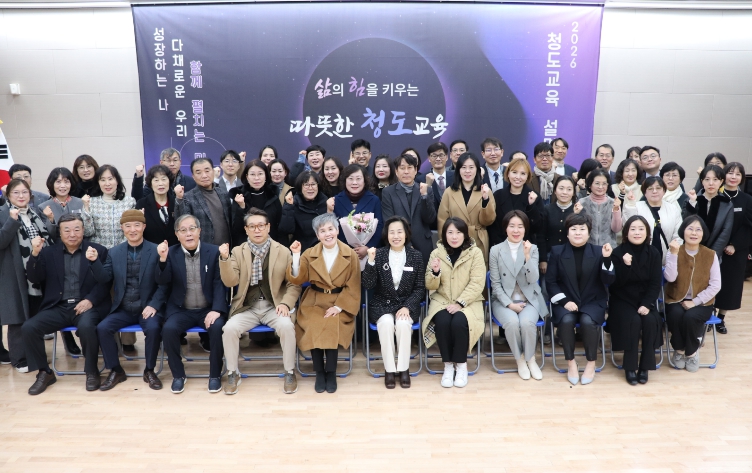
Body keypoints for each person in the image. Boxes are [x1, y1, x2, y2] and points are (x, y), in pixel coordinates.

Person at [22, 214, 111, 395]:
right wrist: (35, 254)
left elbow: (105, 282)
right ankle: (44, 372)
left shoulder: (98, 251)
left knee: (87, 326)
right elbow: (34, 278)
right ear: (60, 233)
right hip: (58, 306)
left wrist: (90, 300)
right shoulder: (48, 252)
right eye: (67, 230)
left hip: (86, 306)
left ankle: (92, 371)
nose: (72, 234)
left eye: (77, 229)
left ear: (83, 231)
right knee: (29, 327)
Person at [219, 208, 302, 395]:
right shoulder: (237, 252)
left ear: (268, 227)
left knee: (287, 326)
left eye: (261, 226)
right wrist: (224, 260)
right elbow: (230, 282)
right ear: (246, 229)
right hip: (247, 307)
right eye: (252, 226)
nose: (257, 230)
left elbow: (294, 284)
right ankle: (233, 372)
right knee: (229, 328)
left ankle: (290, 371)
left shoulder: (283, 251)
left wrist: (285, 304)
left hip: (274, 306)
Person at [92, 210, 167, 391]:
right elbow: (104, 278)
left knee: (154, 328)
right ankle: (116, 370)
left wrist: (154, 305)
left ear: (144, 227)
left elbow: (165, 283)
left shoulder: (156, 250)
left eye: (136, 225)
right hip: (123, 308)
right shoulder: (114, 252)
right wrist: (94, 262)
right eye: (128, 226)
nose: (132, 230)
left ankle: (149, 370)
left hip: (147, 307)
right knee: (102, 328)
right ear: (122, 228)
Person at [287, 213, 361, 394]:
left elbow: (353, 285)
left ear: (337, 230)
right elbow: (297, 279)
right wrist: (296, 256)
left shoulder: (350, 254)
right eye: (322, 231)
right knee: (314, 324)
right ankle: (319, 372)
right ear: (317, 235)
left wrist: (339, 307)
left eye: (330, 229)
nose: (327, 234)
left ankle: (331, 372)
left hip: (339, 301)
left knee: (331, 324)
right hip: (314, 300)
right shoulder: (309, 254)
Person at [156, 215, 227, 394]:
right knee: (168, 329)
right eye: (183, 230)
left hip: (207, 309)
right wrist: (162, 260)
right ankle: (178, 375)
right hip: (181, 309)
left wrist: (217, 310)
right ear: (177, 234)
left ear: (199, 231)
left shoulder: (213, 252)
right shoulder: (170, 253)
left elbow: (220, 283)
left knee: (217, 327)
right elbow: (162, 281)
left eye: (192, 229)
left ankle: (215, 375)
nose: (188, 234)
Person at [546, 213, 615, 385]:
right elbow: (551, 282)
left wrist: (607, 259)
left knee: (587, 321)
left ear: (589, 232)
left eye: (582, 229)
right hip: (565, 301)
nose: (578, 233)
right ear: (567, 232)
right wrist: (565, 302)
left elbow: (608, 280)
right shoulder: (557, 252)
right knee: (566, 321)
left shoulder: (599, 251)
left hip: (592, 300)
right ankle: (571, 363)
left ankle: (591, 363)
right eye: (574, 229)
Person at [362, 216, 425, 389]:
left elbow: (420, 288)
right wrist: (370, 261)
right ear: (386, 235)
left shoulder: (416, 256)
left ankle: (403, 369)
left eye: (399, 232)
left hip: (406, 305)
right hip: (382, 304)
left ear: (406, 234)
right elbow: (368, 284)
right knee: (386, 324)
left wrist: (408, 306)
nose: (396, 236)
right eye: (392, 232)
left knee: (403, 324)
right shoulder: (379, 254)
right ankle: (389, 370)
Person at [0, 179, 55, 373]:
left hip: (37, 271)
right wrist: (11, 221)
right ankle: (19, 359)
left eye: (24, 192)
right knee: (18, 317)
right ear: (8, 195)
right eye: (16, 193)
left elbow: (50, 238)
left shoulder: (35, 212)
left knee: (36, 316)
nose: (21, 196)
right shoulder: (3, 213)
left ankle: (36, 354)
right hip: (15, 274)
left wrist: (51, 221)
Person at [424, 217, 486, 388]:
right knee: (443, 321)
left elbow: (477, 283)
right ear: (444, 234)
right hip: (442, 300)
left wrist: (460, 303)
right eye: (450, 232)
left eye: (458, 232)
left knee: (459, 322)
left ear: (465, 234)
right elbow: (429, 285)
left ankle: (461, 365)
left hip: (469, 301)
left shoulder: (475, 253)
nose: (454, 236)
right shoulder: (436, 253)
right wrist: (435, 272)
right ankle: (448, 366)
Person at [489, 211, 548, 380]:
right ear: (505, 228)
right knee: (512, 323)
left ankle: (531, 359)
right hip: (504, 300)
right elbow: (495, 284)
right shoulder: (496, 250)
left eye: (520, 226)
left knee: (527, 323)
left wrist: (527, 256)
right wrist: (509, 304)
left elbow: (533, 279)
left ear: (525, 229)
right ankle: (520, 360)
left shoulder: (532, 248)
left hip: (528, 299)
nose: (516, 230)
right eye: (512, 226)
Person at [608, 216, 663, 385]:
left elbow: (655, 283)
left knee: (650, 320)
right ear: (626, 232)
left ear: (647, 232)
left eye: (641, 229)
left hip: (645, 299)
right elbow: (614, 284)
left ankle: (645, 366)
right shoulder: (618, 253)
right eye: (633, 229)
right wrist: (625, 266)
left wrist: (647, 304)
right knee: (633, 320)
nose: (637, 232)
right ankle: (630, 367)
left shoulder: (653, 253)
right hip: (622, 300)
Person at [664, 216, 720, 373]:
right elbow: (670, 278)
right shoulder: (674, 251)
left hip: (702, 302)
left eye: (698, 230)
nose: (694, 233)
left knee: (690, 317)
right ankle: (679, 349)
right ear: (683, 231)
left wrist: (695, 301)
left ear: (703, 233)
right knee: (675, 315)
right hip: (675, 298)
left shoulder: (710, 255)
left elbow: (716, 285)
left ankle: (691, 352)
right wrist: (673, 254)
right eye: (690, 229)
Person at [437, 152, 495, 265]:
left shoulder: (485, 191)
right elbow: (442, 220)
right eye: (463, 167)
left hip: (478, 241)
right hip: (454, 241)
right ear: (458, 170)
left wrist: (485, 199)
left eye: (471, 167)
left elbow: (488, 221)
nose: (467, 171)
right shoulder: (449, 192)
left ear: (477, 170)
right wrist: (445, 243)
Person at [714, 162, 752, 334]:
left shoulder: (747, 199)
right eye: (730, 173)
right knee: (710, 283)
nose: (733, 177)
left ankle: (721, 318)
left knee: (730, 286)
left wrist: (734, 245)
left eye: (737, 174)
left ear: (742, 178)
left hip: (735, 251)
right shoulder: (716, 194)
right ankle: (708, 315)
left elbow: (748, 227)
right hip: (714, 249)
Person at [381, 153, 437, 264]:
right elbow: (389, 221)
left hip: (423, 244)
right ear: (396, 171)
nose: (406, 172)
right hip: (398, 244)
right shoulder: (388, 192)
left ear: (415, 170)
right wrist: (407, 244)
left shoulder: (426, 190)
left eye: (410, 167)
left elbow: (430, 219)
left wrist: (424, 196)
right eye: (402, 168)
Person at [174, 157, 232, 248]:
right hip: (203, 250)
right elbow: (181, 222)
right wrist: (179, 199)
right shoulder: (187, 197)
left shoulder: (223, 194)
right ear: (193, 176)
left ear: (213, 172)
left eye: (207, 171)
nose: (204, 175)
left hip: (227, 248)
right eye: (198, 172)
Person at [622, 176, 682, 262]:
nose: (654, 191)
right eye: (650, 189)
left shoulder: (673, 209)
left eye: (658, 188)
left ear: (664, 191)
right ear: (644, 192)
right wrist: (631, 204)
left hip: (667, 258)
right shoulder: (636, 207)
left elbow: (678, 235)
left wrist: (671, 256)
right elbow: (627, 226)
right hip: (640, 258)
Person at [332, 164, 384, 260]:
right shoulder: (336, 200)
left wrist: (368, 247)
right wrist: (346, 249)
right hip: (344, 253)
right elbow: (334, 228)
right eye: (350, 179)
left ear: (365, 180)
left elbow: (380, 225)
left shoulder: (374, 200)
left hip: (369, 254)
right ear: (345, 180)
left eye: (358, 179)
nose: (354, 182)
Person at [489, 159, 543, 248]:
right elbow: (493, 227)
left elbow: (538, 227)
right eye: (514, 172)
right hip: (501, 247)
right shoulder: (498, 195)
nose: (518, 177)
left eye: (523, 173)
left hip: (525, 248)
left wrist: (531, 206)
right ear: (508, 174)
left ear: (527, 176)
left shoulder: (534, 197)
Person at [683, 165, 733, 260]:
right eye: (707, 179)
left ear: (721, 181)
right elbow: (685, 224)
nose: (711, 183)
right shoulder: (692, 200)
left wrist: (712, 255)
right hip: (689, 253)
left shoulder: (727, 204)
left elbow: (725, 232)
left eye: (715, 179)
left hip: (713, 255)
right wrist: (692, 202)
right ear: (702, 181)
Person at [229, 160, 282, 247]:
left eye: (260, 174)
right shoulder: (239, 196)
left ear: (266, 175)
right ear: (247, 176)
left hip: (271, 246)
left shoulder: (273, 195)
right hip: (246, 247)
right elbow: (236, 229)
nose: (256, 178)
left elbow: (279, 226)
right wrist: (242, 207)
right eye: (252, 174)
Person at [82, 165, 136, 249]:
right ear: (98, 183)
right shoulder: (91, 202)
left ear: (117, 181)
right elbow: (87, 233)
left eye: (110, 179)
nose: (107, 183)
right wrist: (86, 209)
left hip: (123, 250)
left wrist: (120, 249)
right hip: (98, 251)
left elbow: (132, 230)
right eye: (103, 180)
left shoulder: (129, 202)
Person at [279, 171, 331, 253]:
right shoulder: (292, 202)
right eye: (306, 185)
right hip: (303, 250)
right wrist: (289, 206)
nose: (310, 188)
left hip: (325, 249)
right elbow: (286, 229)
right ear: (300, 187)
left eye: (313, 184)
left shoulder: (326, 202)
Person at [539, 176, 583, 275]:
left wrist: (576, 215)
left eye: (569, 189)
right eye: (561, 188)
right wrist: (543, 259)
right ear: (555, 191)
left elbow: (580, 235)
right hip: (550, 256)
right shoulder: (547, 209)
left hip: (572, 256)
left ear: (573, 192)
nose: (565, 192)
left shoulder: (579, 210)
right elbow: (541, 235)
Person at [135, 164, 178, 247]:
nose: (160, 184)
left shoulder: (177, 202)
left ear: (169, 181)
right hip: (151, 251)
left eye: (164, 179)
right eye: (156, 180)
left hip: (175, 250)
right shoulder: (142, 204)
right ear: (150, 183)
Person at [131, 148, 196, 201]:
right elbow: (138, 199)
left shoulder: (191, 182)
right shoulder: (154, 182)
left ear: (180, 162)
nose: (172, 164)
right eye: (168, 160)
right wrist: (139, 177)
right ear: (161, 162)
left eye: (175, 160)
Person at [579, 169, 622, 248]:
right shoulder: (582, 203)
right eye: (597, 183)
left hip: (609, 248)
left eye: (604, 184)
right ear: (590, 184)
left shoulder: (613, 203)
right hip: (587, 249)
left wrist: (616, 210)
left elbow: (616, 229)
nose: (601, 187)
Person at [38, 167, 85, 236]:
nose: (62, 186)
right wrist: (50, 219)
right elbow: (48, 234)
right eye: (58, 182)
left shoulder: (81, 203)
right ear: (52, 184)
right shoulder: (43, 207)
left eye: (66, 182)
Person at [417, 142, 454, 212]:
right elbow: (422, 205)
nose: (438, 159)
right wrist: (428, 186)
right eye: (434, 156)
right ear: (429, 158)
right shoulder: (421, 179)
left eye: (441, 155)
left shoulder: (455, 177)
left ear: (446, 157)